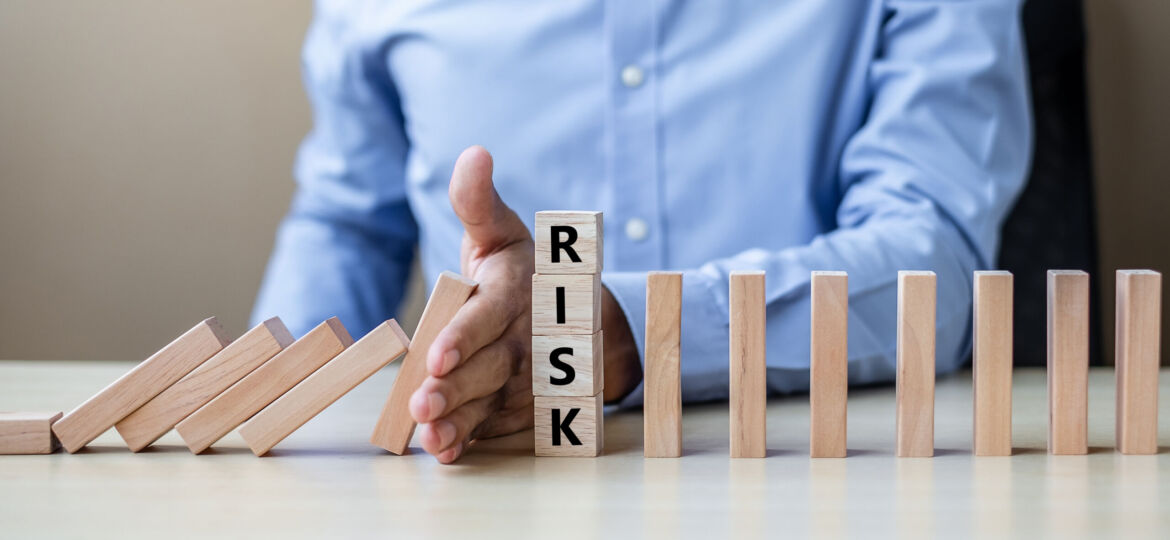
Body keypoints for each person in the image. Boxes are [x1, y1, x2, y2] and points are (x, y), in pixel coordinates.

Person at [251, 1, 1032, 464]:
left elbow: (939, 262)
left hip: (821, 481)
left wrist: (626, 332)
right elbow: (349, 222)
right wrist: (261, 418)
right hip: (479, 476)